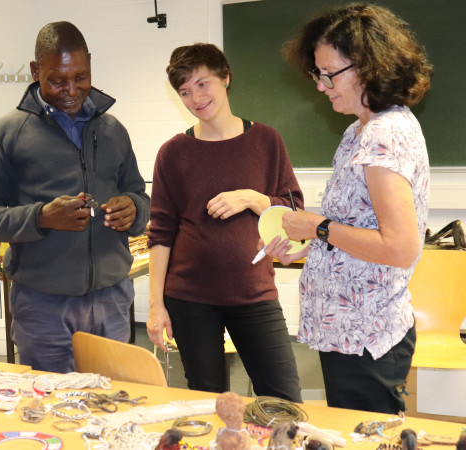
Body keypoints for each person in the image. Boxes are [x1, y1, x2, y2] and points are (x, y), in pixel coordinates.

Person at [267, 4, 432, 413]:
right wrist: (307, 250)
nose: (321, 86)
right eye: (316, 73)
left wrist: (318, 227)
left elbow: (399, 247)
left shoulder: (383, 135)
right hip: (349, 331)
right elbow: (358, 230)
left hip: (366, 335)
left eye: (329, 73)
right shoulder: (359, 129)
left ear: (369, 67)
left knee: (367, 437)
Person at [0, 21, 150, 373]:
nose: (71, 90)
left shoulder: (113, 130)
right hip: (43, 307)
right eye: (57, 80)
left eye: (81, 77)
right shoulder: (7, 133)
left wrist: (135, 210)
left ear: (90, 64)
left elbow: (139, 194)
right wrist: (41, 218)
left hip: (111, 300)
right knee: (51, 402)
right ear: (35, 71)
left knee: (112, 399)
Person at [146, 43, 302, 402]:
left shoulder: (266, 140)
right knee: (208, 402)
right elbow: (161, 233)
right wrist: (156, 305)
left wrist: (251, 198)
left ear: (225, 78)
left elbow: (293, 210)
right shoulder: (173, 152)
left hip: (254, 292)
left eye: (203, 84)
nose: (196, 98)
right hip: (189, 299)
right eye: (185, 92)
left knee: (284, 400)